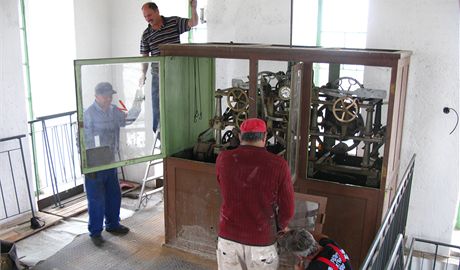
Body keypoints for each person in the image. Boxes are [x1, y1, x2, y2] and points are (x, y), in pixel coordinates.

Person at [215, 118, 295, 270]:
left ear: (240, 136)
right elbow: (288, 208)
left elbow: (223, 185)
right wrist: (281, 227)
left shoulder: (223, 158)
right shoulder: (278, 164)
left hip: (228, 238)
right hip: (262, 242)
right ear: (265, 137)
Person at [83, 82, 142, 247]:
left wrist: (139, 100)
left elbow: (128, 119)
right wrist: (88, 163)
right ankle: (95, 232)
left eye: (110, 96)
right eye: (106, 96)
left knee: (113, 195)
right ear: (97, 96)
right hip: (94, 163)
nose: (109, 99)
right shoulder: (88, 114)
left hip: (110, 160)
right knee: (96, 199)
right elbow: (81, 140)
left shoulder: (114, 111)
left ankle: (113, 225)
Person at [139, 1, 198, 135]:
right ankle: (159, 133)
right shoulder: (146, 35)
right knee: (157, 103)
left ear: (157, 11)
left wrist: (193, 8)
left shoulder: (174, 22)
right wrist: (143, 74)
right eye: (145, 17)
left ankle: (182, 130)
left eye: (149, 15)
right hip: (157, 71)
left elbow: (193, 23)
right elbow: (144, 57)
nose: (148, 19)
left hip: (176, 69)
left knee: (179, 100)